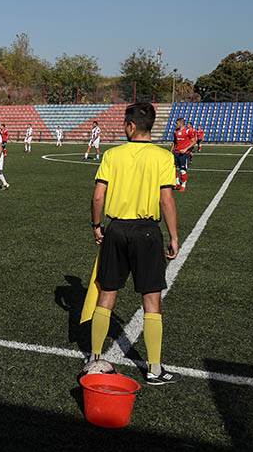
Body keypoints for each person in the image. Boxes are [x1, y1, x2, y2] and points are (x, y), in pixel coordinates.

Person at [84, 102, 180, 385]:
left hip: (116, 230)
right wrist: (174, 236)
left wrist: (97, 225)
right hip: (148, 232)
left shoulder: (113, 155)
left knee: (107, 294)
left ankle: (95, 357)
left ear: (130, 125)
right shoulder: (163, 157)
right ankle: (154, 368)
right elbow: (166, 199)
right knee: (152, 299)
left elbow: (98, 196)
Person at [172, 118, 197, 192]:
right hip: (176, 152)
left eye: (177, 123)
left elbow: (194, 142)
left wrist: (186, 149)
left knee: (182, 170)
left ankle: (183, 185)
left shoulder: (188, 131)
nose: (175, 125)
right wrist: (171, 150)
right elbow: (175, 142)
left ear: (181, 123)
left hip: (184, 153)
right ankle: (177, 183)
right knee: (174, 169)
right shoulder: (176, 132)